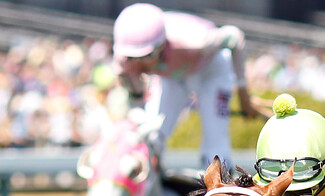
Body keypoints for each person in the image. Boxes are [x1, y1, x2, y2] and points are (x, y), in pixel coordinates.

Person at [112, 3, 270, 169]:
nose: (138, 65)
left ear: (161, 46)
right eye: (131, 57)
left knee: (215, 145)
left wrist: (243, 94)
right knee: (152, 136)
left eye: (145, 56)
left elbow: (234, 37)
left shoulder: (195, 41)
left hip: (211, 71)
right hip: (173, 76)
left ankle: (219, 183)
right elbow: (136, 101)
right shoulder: (124, 58)